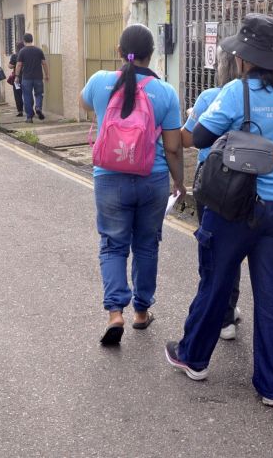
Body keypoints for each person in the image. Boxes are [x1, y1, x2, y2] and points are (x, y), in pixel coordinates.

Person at [165, 14, 273, 407]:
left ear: (244, 58)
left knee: (217, 282)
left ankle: (194, 357)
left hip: (235, 206)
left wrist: (185, 118)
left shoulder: (234, 92)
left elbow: (195, 139)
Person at [79, 24, 185, 346]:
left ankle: (115, 313)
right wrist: (179, 182)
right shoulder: (165, 92)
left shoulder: (99, 81)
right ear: (151, 54)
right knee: (146, 244)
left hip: (109, 178)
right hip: (151, 179)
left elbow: (83, 105)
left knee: (112, 244)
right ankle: (141, 311)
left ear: (118, 50)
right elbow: (173, 147)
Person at [181, 48, 242, 341]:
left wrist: (190, 118)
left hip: (212, 178)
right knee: (233, 247)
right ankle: (229, 310)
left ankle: (219, 316)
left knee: (210, 247)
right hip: (245, 181)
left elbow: (189, 138)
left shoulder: (209, 97)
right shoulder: (253, 97)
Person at [15, 33, 49, 123]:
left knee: (27, 97)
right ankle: (38, 107)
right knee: (39, 94)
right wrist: (47, 75)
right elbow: (44, 63)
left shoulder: (22, 51)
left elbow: (19, 65)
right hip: (38, 77)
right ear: (32, 40)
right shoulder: (39, 50)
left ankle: (29, 117)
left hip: (26, 78)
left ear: (24, 41)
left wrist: (16, 76)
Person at [8, 41, 25, 117]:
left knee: (18, 95)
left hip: (17, 78)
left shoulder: (15, 56)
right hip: (27, 77)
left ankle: (20, 111)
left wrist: (13, 64)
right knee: (27, 94)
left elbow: (10, 66)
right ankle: (29, 110)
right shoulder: (26, 55)